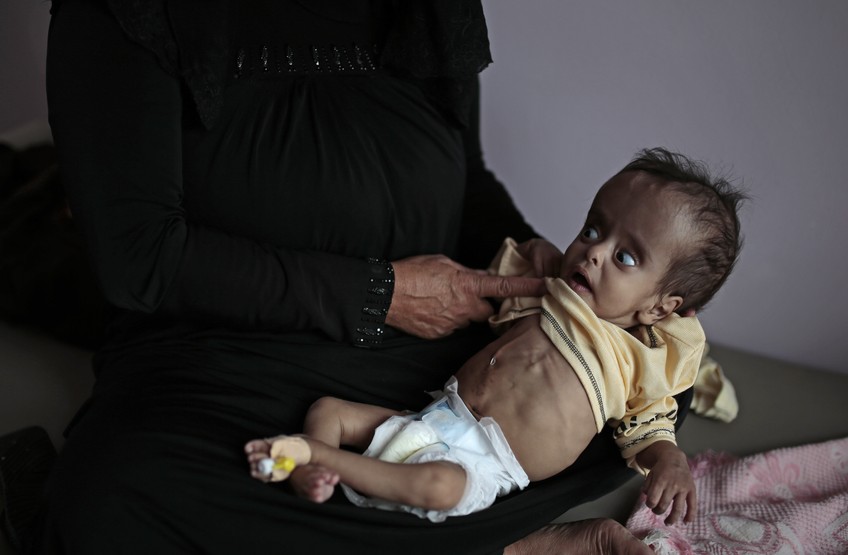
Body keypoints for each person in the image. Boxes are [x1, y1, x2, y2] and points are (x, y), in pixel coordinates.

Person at [35, 0, 695, 553]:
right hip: (229, 360)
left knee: (649, 380)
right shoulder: (128, 10)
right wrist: (380, 294)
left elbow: (466, 182)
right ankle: (508, 541)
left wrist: (542, 264)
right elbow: (139, 257)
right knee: (108, 500)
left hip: (430, 355)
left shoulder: (426, 7)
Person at [244, 148, 745, 527]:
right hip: (433, 417)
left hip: (484, 463)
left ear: (660, 307)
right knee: (330, 408)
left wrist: (670, 462)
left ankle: (316, 457)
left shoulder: (636, 359)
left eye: (626, 257)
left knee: (438, 486)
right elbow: (492, 284)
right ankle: (313, 460)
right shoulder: (549, 291)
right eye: (593, 230)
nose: (592, 252)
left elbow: (650, 426)